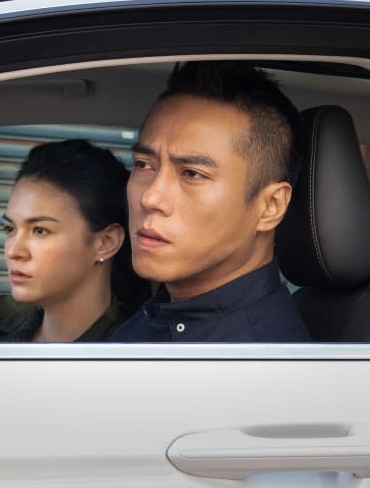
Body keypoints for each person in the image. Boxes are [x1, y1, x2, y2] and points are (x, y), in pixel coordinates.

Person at [110, 61, 311, 342]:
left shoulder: (256, 358)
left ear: (270, 206)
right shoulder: (161, 317)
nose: (150, 197)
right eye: (144, 165)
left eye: (192, 174)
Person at [0, 139, 150, 342]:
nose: (14, 251)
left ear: (106, 242)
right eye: (10, 229)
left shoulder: (136, 350)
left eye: (40, 230)